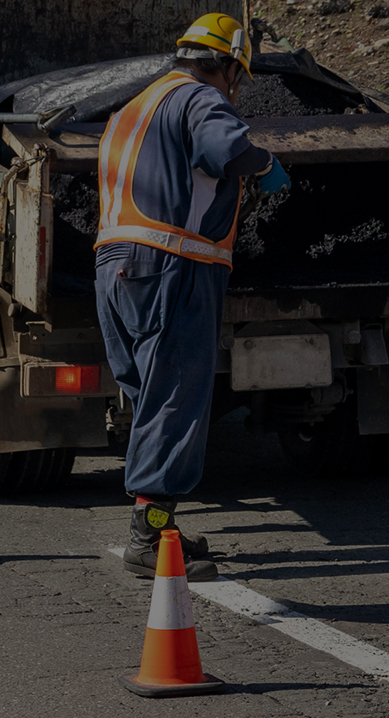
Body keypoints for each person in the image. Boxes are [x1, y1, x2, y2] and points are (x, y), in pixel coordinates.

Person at [98, 13, 290, 580]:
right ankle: (149, 537)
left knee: (151, 397)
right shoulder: (200, 99)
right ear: (226, 65)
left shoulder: (132, 108)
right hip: (173, 264)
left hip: (116, 267)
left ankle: (160, 524)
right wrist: (266, 164)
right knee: (177, 396)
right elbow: (226, 151)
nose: (235, 87)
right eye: (237, 75)